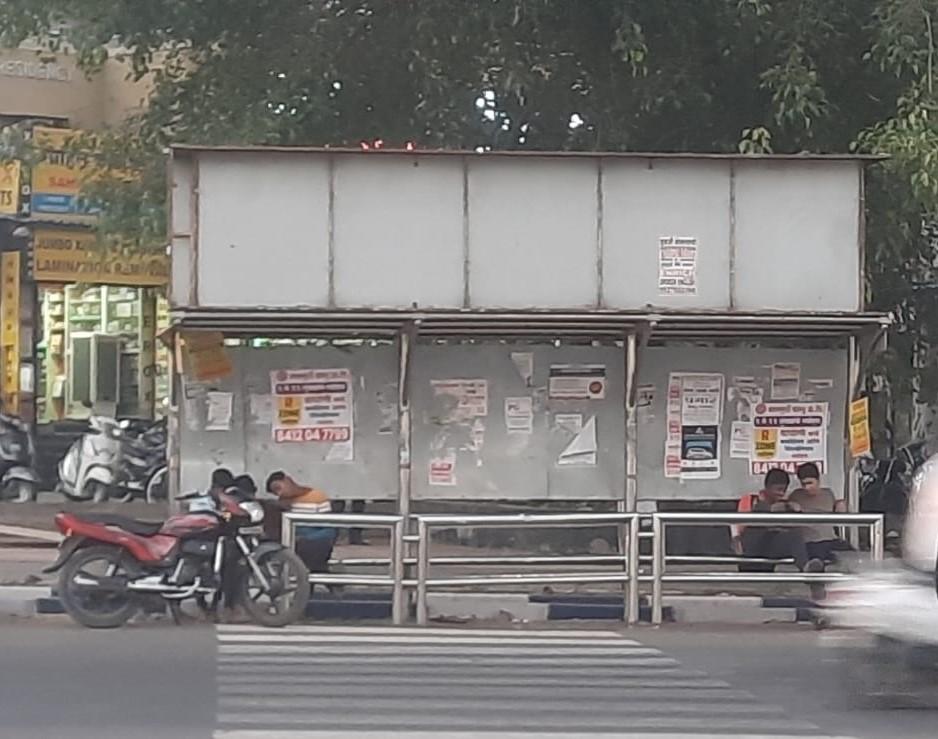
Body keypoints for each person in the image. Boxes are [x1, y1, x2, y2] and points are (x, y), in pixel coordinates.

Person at [733, 468, 823, 575]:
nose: (781, 493)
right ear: (768, 487)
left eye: (784, 490)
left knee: (795, 533)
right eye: (778, 489)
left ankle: (805, 567)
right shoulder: (750, 500)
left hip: (770, 549)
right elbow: (739, 527)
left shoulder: (784, 505)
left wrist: (795, 511)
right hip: (752, 549)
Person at [265, 471, 337, 573]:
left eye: (278, 488)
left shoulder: (317, 497)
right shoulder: (284, 502)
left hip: (318, 539)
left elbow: (327, 525)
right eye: (276, 493)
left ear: (287, 480)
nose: (279, 493)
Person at [787, 462, 848, 563]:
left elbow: (839, 510)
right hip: (810, 542)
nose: (806, 488)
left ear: (818, 480)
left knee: (850, 552)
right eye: (803, 484)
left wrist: (841, 507)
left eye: (810, 483)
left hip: (831, 539)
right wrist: (791, 507)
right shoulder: (796, 496)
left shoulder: (828, 494)